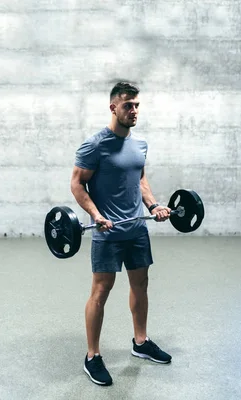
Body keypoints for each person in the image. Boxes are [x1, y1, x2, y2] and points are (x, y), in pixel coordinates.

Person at [70, 82, 173, 387]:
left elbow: (139, 179)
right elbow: (77, 184)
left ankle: (140, 342)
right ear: (113, 107)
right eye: (128, 105)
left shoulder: (139, 144)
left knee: (141, 284)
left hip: (137, 230)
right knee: (101, 292)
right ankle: (92, 356)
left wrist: (154, 206)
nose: (134, 111)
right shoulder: (94, 145)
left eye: (137, 105)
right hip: (107, 233)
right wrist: (96, 215)